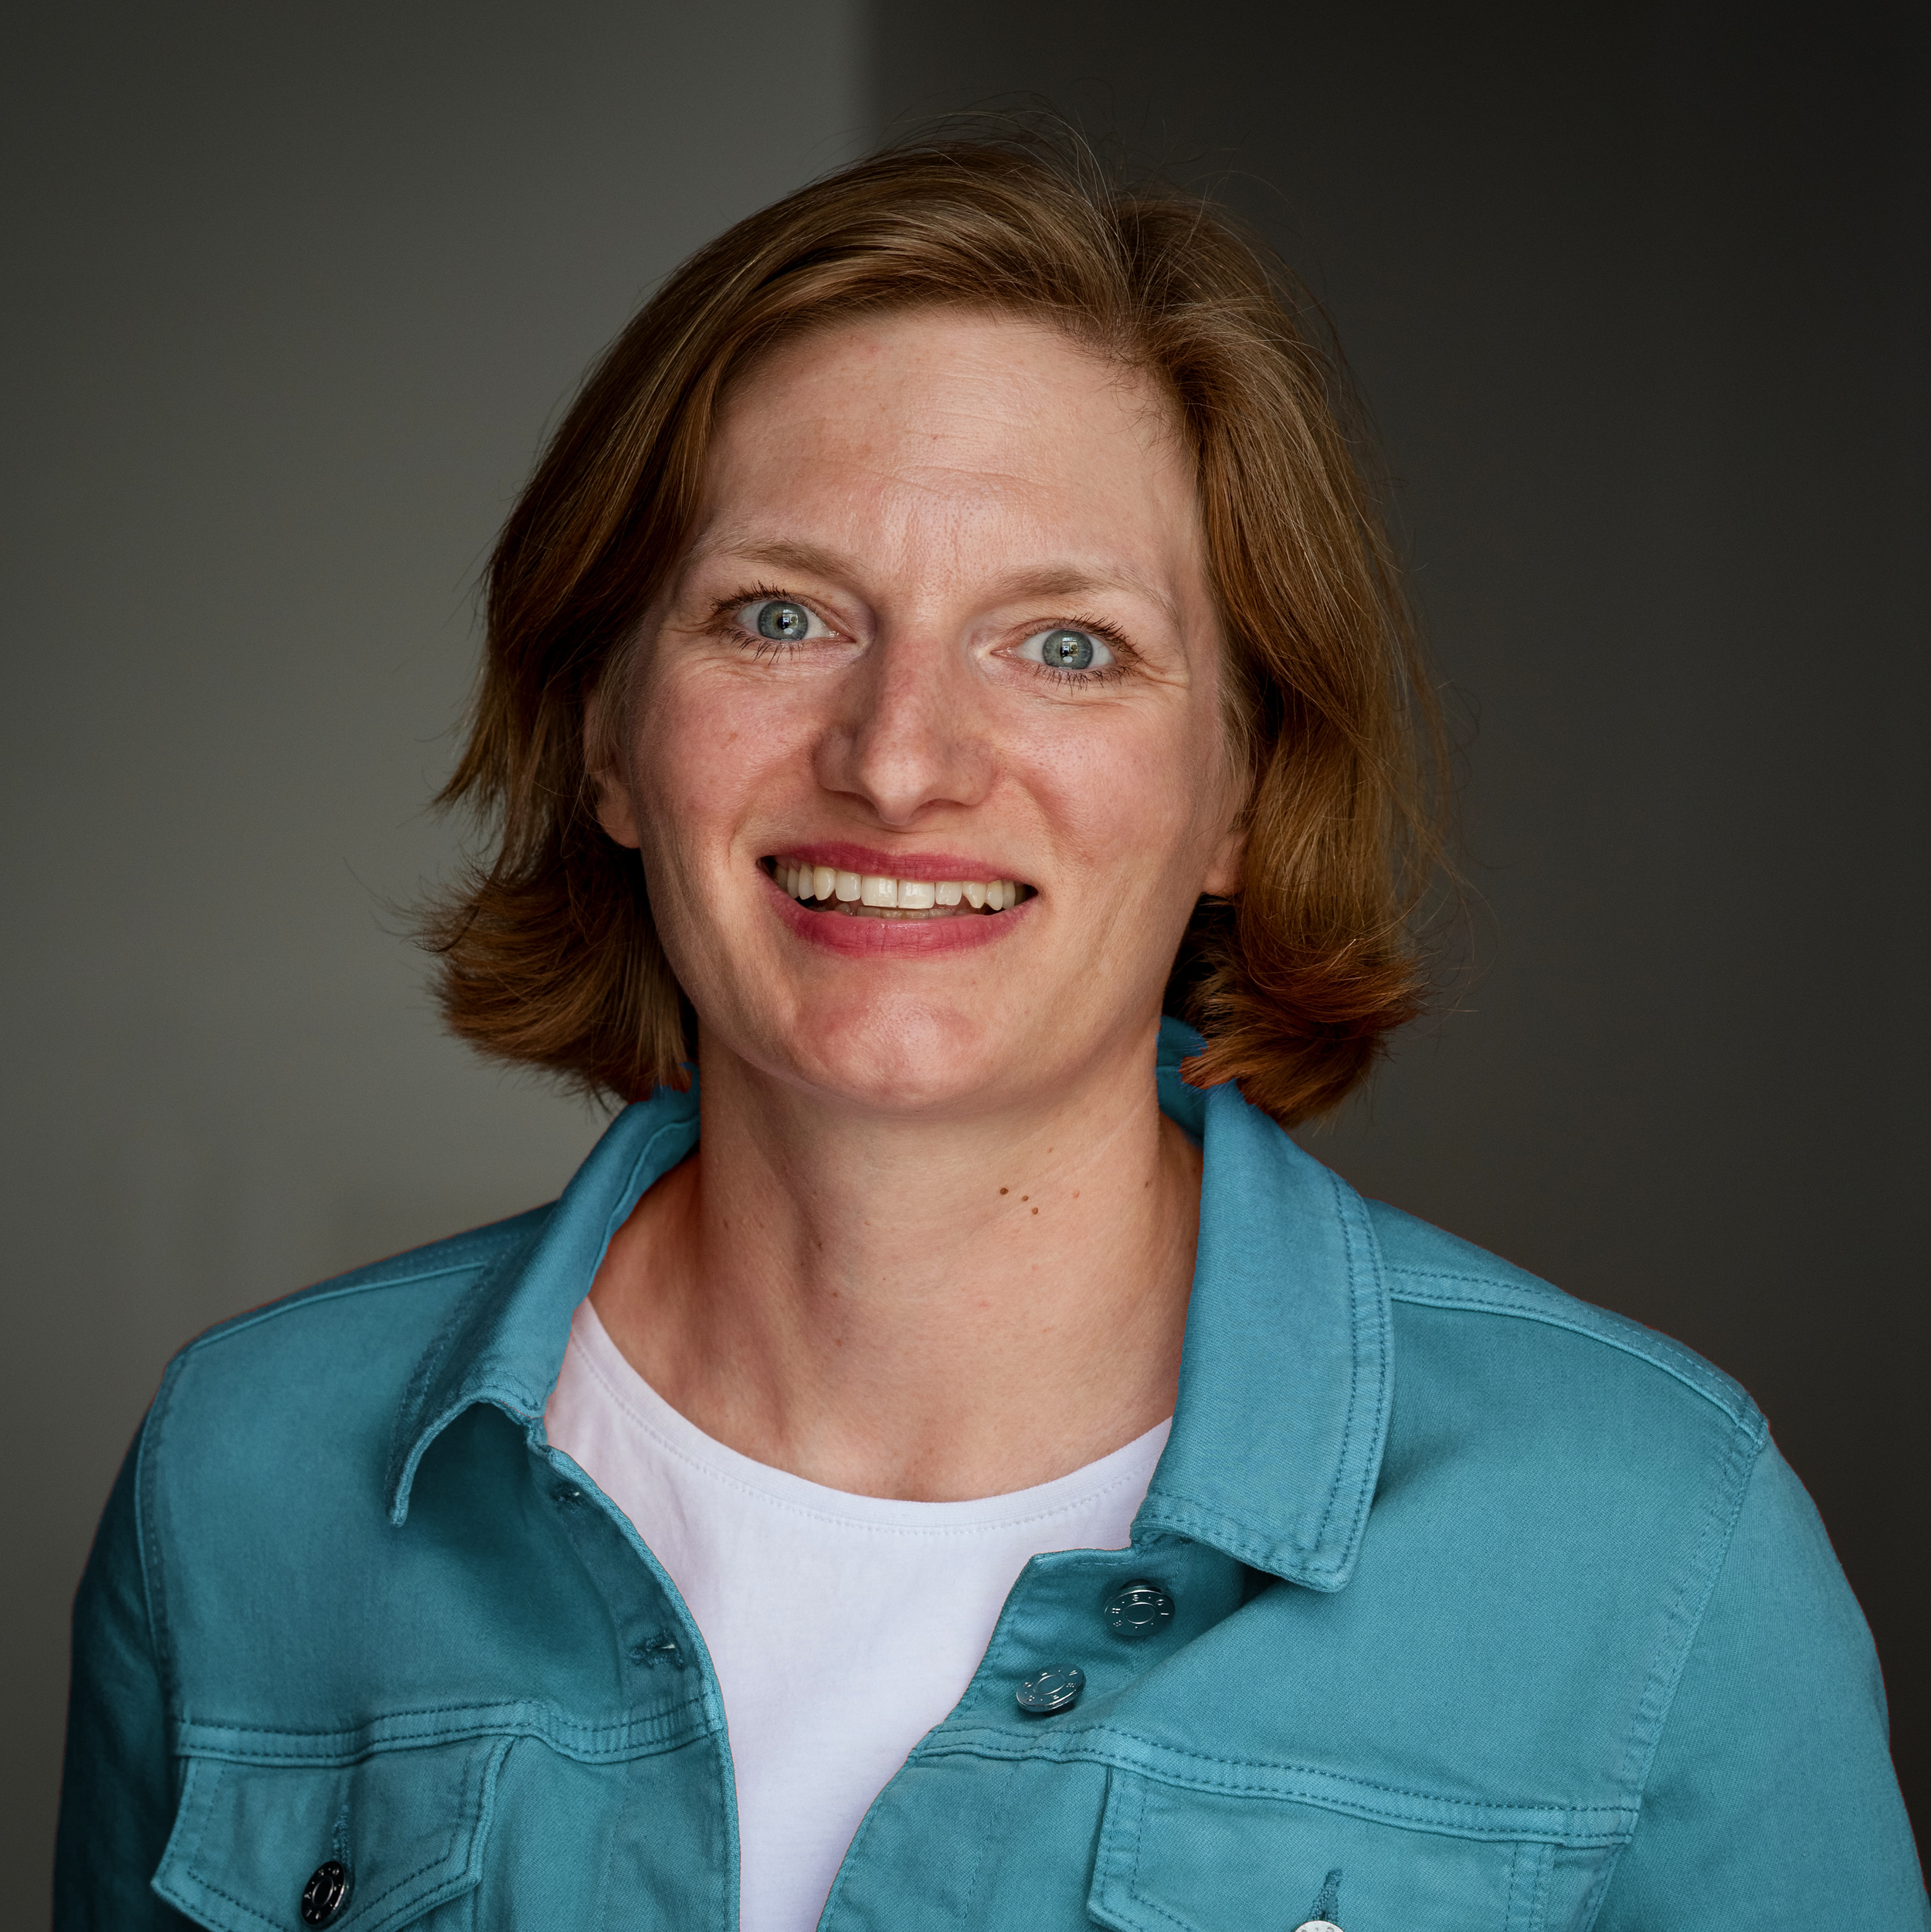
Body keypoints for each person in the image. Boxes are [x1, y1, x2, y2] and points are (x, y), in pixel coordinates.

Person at [57, 136, 1923, 1932]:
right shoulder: (249, 1472)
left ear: (1241, 789)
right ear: (606, 733)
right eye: (778, 615)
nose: (898, 759)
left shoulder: (1649, 1536)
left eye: (1065, 644)